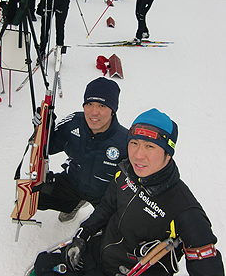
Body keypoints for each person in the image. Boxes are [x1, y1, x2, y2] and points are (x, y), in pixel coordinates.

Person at [34, 108, 224, 276]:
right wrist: (83, 234)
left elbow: (208, 268)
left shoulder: (185, 210)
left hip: (131, 271)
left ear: (168, 153)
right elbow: (106, 207)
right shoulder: (125, 173)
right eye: (134, 143)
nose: (138, 155)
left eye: (150, 146)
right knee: (42, 266)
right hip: (98, 254)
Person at [37, 77, 129, 222]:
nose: (94, 112)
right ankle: (73, 203)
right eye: (89, 104)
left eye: (102, 106)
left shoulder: (126, 141)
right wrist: (43, 127)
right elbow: (48, 148)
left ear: (113, 110)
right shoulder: (73, 123)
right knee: (36, 196)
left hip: (104, 195)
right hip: (72, 183)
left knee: (113, 231)